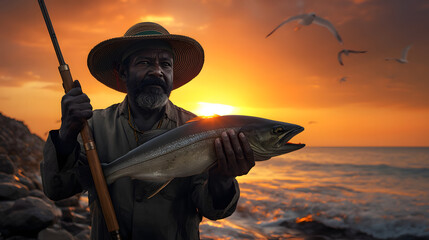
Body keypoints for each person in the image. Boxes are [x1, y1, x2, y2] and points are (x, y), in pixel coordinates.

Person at [41, 22, 256, 239]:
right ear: (122, 72)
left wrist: (223, 179)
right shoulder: (92, 126)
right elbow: (56, 189)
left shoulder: (199, 130)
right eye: (144, 62)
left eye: (166, 64)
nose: (157, 71)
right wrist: (66, 136)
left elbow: (212, 210)